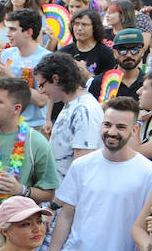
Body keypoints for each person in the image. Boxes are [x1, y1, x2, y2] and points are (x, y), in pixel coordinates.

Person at [50, 98, 152, 251]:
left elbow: (146, 226)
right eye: (107, 124)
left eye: (121, 127)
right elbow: (67, 214)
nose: (112, 132)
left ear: (134, 129)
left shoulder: (150, 174)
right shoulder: (82, 165)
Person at [0, 77, 59, 251]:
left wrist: (21, 190)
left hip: (18, 242)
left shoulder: (35, 143)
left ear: (16, 109)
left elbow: (49, 192)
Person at [35, 51, 103, 179]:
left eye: (42, 85)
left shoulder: (84, 110)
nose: (41, 91)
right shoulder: (71, 105)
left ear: (55, 79)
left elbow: (83, 167)